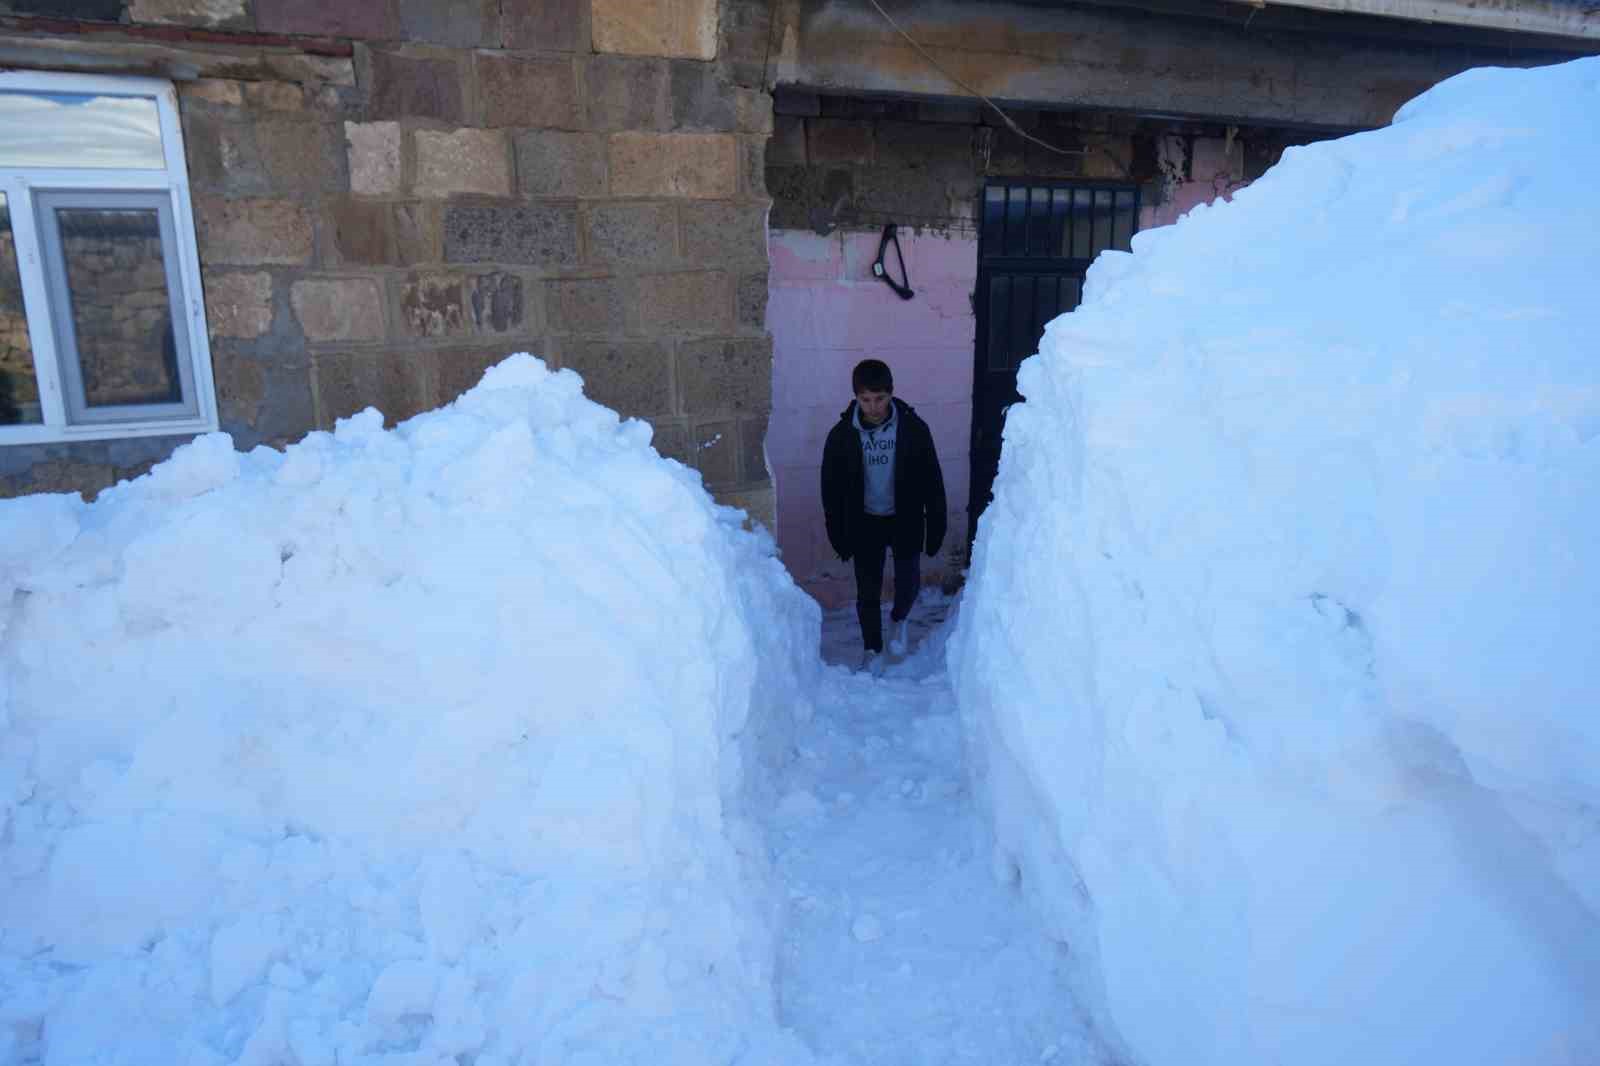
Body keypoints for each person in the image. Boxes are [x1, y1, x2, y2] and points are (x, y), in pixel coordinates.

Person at [820, 358, 947, 671]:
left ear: (891, 394)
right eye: (865, 400)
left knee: (909, 583)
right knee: (868, 590)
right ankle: (872, 649)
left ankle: (898, 618)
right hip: (864, 521)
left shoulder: (913, 429)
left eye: (879, 399)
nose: (873, 407)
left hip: (904, 517)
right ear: (856, 398)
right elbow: (830, 489)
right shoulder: (841, 435)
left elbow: (932, 478)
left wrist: (937, 525)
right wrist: (837, 532)